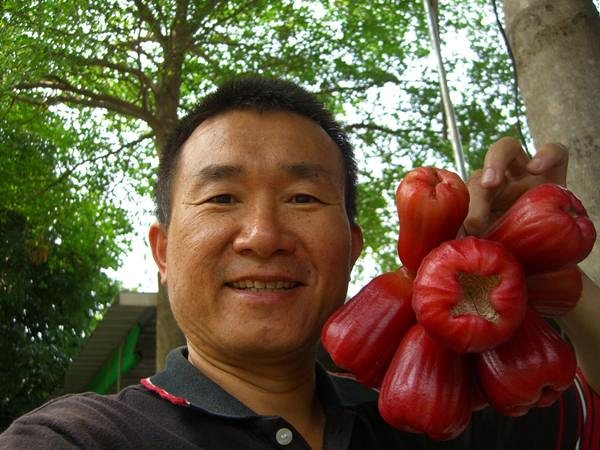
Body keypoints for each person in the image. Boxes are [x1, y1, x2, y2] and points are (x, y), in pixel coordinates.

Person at [1, 76, 598, 449]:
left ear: (354, 246)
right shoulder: (82, 439)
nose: (263, 236)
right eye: (221, 198)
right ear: (161, 251)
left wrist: (533, 255)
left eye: (304, 198)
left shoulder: (446, 420)